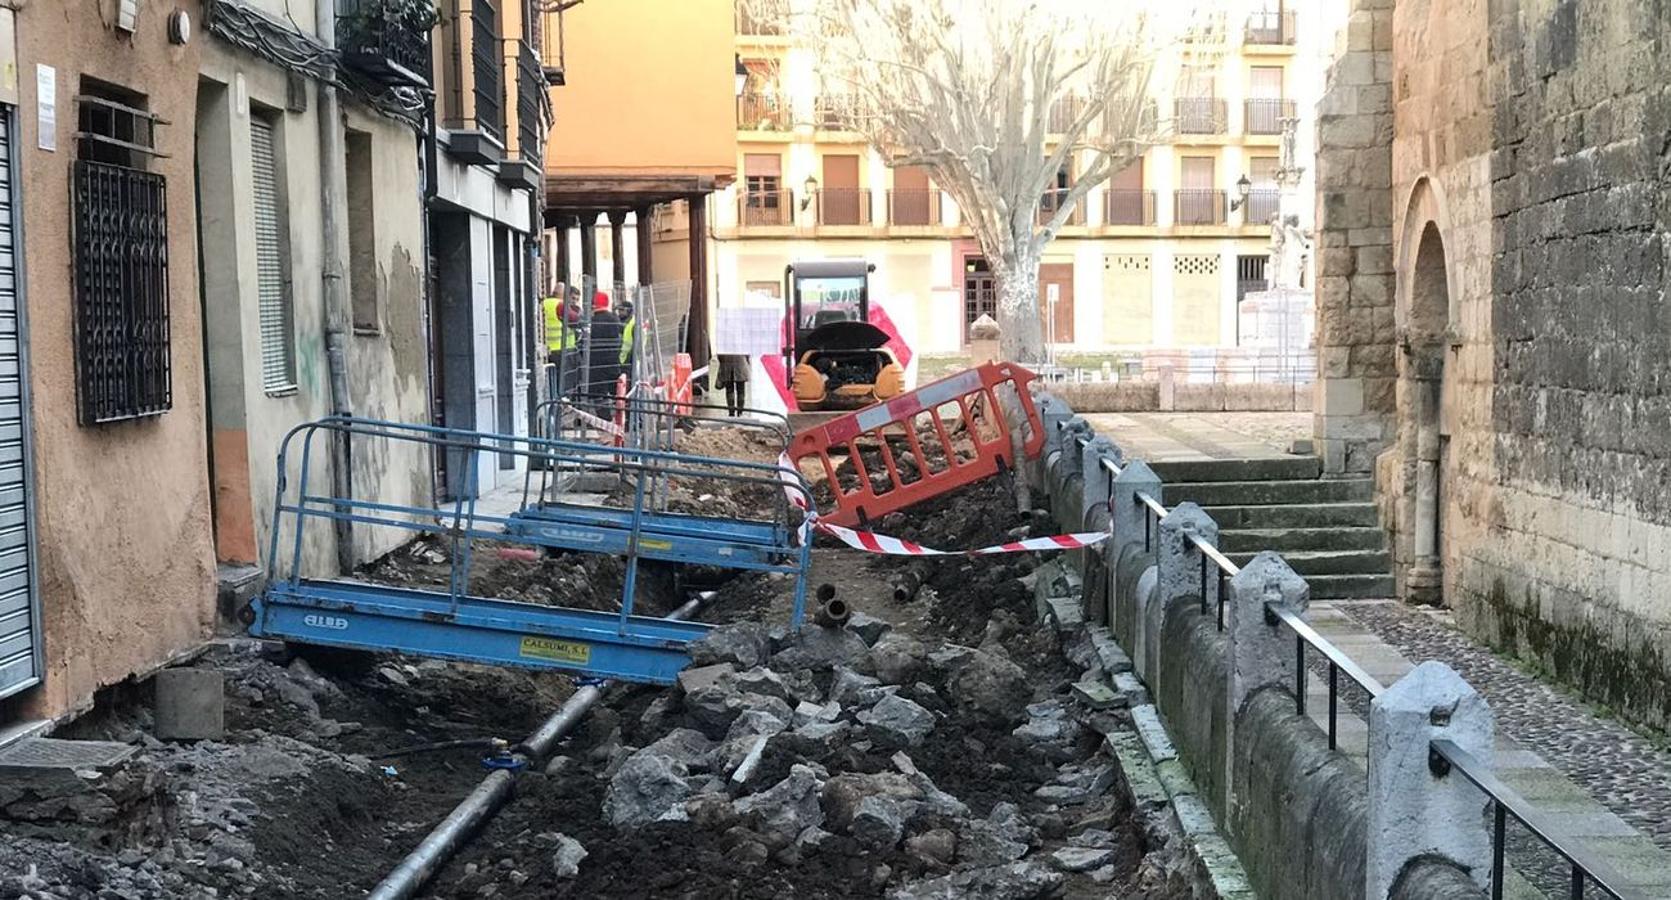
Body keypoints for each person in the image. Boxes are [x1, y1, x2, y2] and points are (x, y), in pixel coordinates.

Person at [585, 290, 624, 407]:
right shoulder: (615, 319)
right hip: (613, 360)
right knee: (616, 391)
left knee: (598, 394)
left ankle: (604, 419)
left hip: (595, 362)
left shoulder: (591, 321)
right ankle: (619, 416)